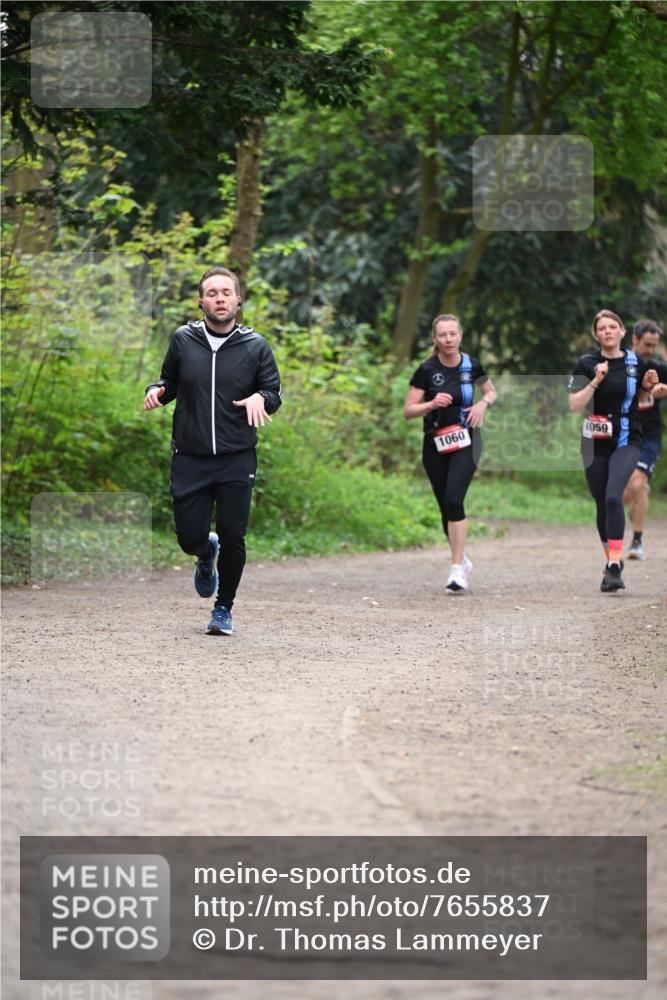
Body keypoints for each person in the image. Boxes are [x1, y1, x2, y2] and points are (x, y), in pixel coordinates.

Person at [144, 266, 282, 634]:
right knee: (189, 537)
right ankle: (206, 554)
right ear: (201, 301)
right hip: (190, 455)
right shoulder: (183, 339)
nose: (219, 298)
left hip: (237, 457)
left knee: (235, 535)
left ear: (238, 300)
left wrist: (261, 398)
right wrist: (156, 391)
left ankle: (223, 609)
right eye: (212, 293)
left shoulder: (255, 346)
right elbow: (169, 381)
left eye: (226, 292)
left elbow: (274, 393)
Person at [404, 314, 496, 593]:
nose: (448, 339)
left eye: (452, 334)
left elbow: (491, 392)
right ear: (434, 339)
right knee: (446, 505)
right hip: (435, 445)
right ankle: (462, 559)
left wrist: (482, 405)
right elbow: (408, 410)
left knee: (455, 499)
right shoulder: (426, 370)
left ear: (460, 336)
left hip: (467, 441)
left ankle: (456, 569)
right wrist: (430, 404)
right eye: (442, 335)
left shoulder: (472, 365)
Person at [567, 309, 658, 592]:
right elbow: (574, 404)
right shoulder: (586, 363)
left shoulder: (634, 362)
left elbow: (643, 399)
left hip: (627, 438)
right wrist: (595, 380)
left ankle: (615, 564)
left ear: (621, 332)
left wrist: (648, 388)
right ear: (596, 335)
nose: (607, 331)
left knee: (612, 496)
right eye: (601, 328)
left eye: (612, 327)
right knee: (600, 502)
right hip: (594, 440)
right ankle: (611, 560)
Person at [622, 320, 667, 560]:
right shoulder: (622, 365)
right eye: (646, 344)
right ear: (634, 340)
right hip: (623, 434)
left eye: (654, 345)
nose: (650, 350)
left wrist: (662, 390)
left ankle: (637, 542)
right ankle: (638, 499)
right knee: (624, 494)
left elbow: (663, 385)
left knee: (637, 484)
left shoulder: (660, 367)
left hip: (649, 437)